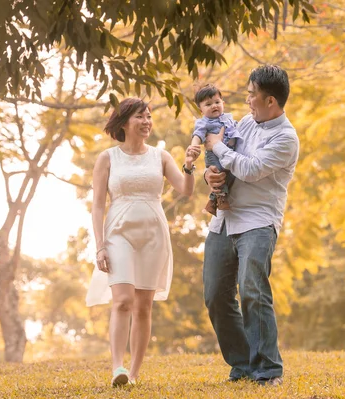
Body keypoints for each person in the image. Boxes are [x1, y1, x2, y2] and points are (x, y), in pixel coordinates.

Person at [86, 98, 201, 387]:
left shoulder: (160, 157)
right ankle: (117, 368)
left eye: (149, 116)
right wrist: (99, 245)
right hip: (118, 233)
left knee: (143, 306)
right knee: (122, 300)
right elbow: (98, 205)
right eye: (140, 117)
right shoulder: (107, 158)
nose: (147, 122)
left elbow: (185, 190)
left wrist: (189, 165)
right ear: (124, 122)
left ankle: (134, 375)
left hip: (153, 234)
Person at [202, 65, 299, 386]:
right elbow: (226, 164)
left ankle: (268, 369)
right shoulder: (245, 123)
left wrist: (216, 146)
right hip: (224, 220)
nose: (246, 100)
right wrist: (209, 174)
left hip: (258, 222)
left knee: (253, 290)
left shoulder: (286, 138)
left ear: (270, 100)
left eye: (252, 94)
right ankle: (242, 364)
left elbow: (250, 168)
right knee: (215, 294)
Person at [190, 84, 238, 216]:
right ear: (201, 110)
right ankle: (221, 198)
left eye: (217, 102)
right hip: (213, 156)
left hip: (227, 153)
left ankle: (212, 202)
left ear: (223, 102)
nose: (214, 106)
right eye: (208, 104)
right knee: (219, 175)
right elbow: (198, 134)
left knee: (230, 175)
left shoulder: (228, 118)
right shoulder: (203, 122)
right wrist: (194, 146)